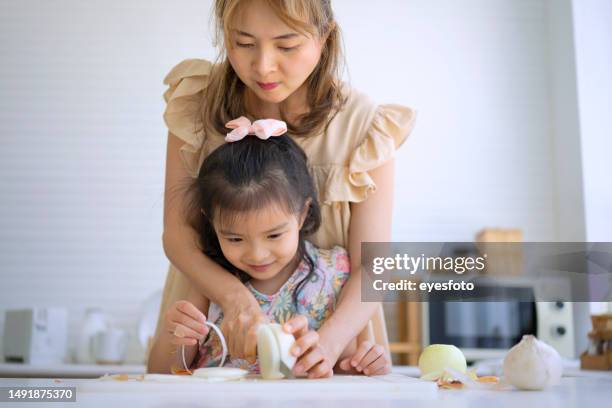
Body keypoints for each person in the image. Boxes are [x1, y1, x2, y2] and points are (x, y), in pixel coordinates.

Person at [153, 0, 416, 377]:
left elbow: (375, 265)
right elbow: (178, 233)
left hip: (336, 334)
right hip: (212, 314)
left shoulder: (364, 125)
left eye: (287, 45)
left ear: (324, 37)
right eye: (243, 43)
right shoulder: (197, 102)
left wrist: (327, 342)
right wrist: (235, 300)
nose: (263, 66)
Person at [149, 124, 391, 377]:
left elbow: (354, 370)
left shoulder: (336, 274)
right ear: (211, 224)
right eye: (234, 238)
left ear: (302, 214)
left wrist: (370, 364)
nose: (257, 254)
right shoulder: (211, 280)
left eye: (274, 235)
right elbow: (159, 372)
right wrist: (181, 340)